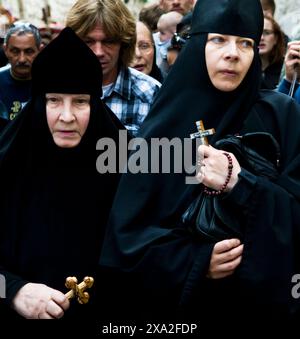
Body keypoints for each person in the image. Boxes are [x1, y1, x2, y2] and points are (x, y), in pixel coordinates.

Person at [100, 0, 300, 332]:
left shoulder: (282, 117)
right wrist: (195, 260)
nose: (233, 53)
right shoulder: (164, 126)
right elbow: (124, 243)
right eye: (219, 39)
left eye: (245, 42)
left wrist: (241, 183)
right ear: (197, 46)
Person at [0, 26, 126, 329]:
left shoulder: (127, 163)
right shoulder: (7, 163)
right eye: (54, 100)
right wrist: (13, 290)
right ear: (38, 103)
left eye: (80, 101)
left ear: (95, 104)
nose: (66, 116)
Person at [66, 0, 160, 136]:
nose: (98, 52)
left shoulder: (149, 93)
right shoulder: (54, 92)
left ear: (124, 43)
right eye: (88, 41)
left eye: (108, 42)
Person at [0, 21, 42, 121]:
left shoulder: (51, 82)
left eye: (29, 51)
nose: (22, 59)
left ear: (39, 50)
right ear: (5, 50)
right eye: (15, 51)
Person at [259, 15, 285, 89]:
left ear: (276, 39)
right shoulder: (244, 66)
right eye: (258, 32)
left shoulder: (285, 67)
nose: (261, 38)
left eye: (266, 33)